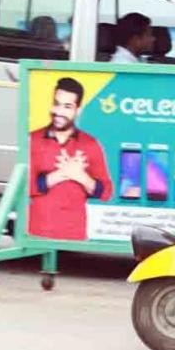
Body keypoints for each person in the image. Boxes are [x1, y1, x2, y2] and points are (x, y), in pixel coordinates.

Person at [29, 78, 113, 240]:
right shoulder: (33, 139)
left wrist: (80, 176)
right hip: (36, 233)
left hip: (74, 235)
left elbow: (106, 192)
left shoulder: (91, 144)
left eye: (67, 107)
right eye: (56, 103)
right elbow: (24, 186)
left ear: (78, 110)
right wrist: (61, 174)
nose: (59, 111)